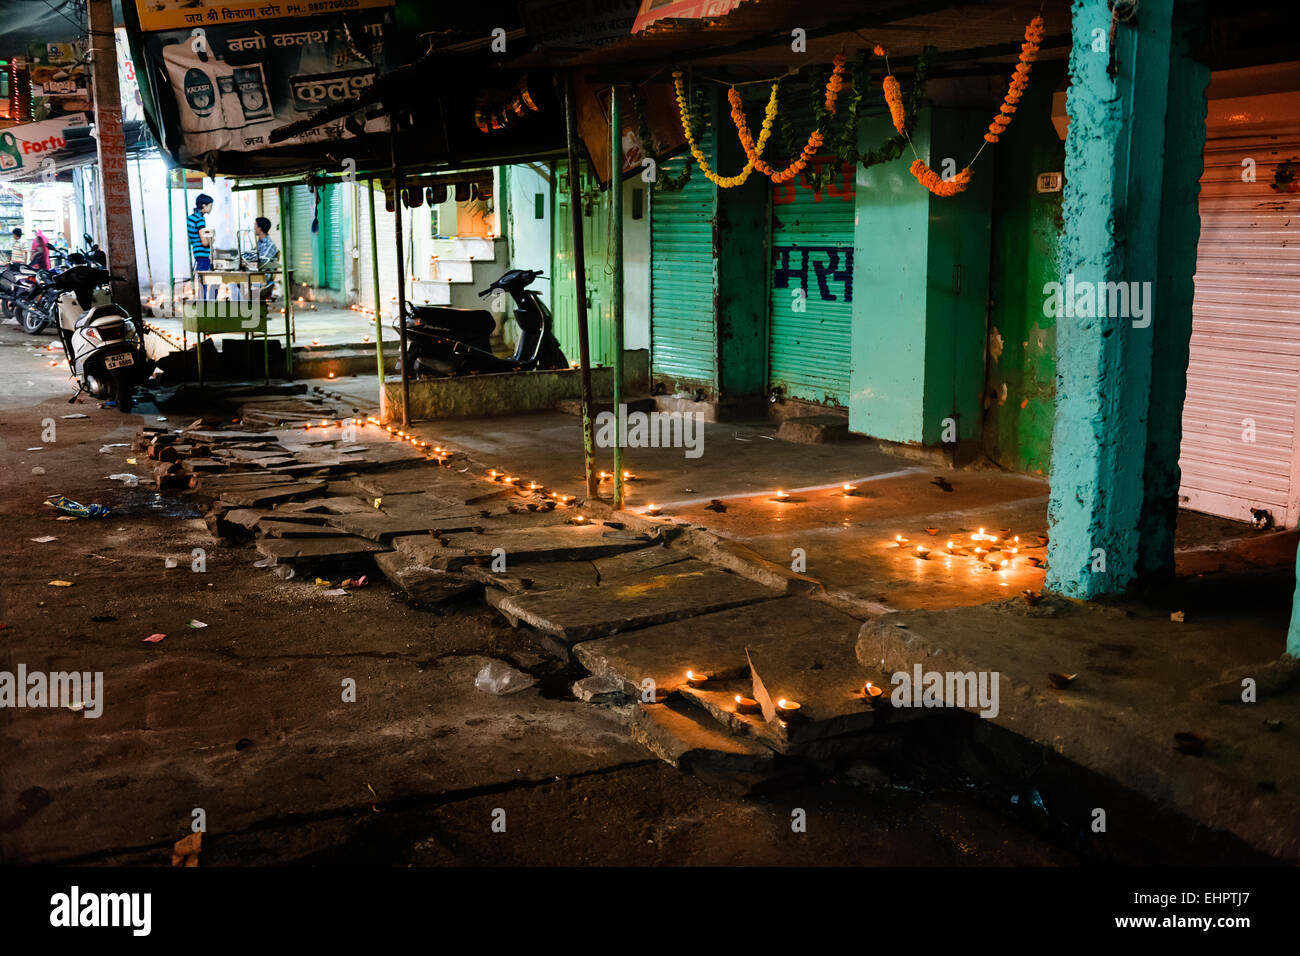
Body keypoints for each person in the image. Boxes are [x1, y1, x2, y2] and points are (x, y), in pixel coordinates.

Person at [188, 193, 214, 299]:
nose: (211, 208)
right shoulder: (200, 219)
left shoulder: (191, 218)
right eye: (210, 205)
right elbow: (205, 242)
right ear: (204, 206)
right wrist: (212, 239)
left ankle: (202, 304)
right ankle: (204, 305)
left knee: (202, 282)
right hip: (202, 254)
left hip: (197, 253)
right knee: (205, 282)